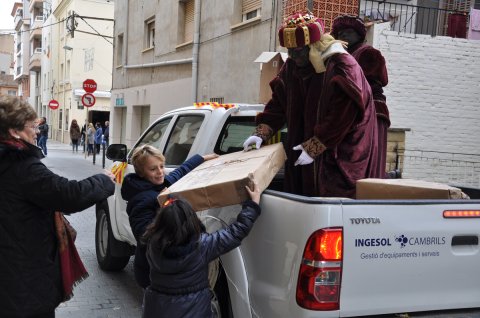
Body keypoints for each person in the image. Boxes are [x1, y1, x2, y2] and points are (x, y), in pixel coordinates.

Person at [0, 95, 116, 318]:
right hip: (22, 281)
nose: (36, 131)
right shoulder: (21, 167)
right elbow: (67, 195)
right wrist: (103, 181)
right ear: (14, 132)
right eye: (32, 126)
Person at [243, 12, 379, 198]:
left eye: (297, 51)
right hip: (302, 151)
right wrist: (262, 132)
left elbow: (344, 114)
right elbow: (279, 103)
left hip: (339, 153)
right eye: (289, 50)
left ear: (313, 45)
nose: (292, 56)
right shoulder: (292, 65)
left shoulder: (342, 65)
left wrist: (316, 145)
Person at [141, 182, 261, 318]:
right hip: (193, 310)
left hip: (157, 309)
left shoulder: (153, 244)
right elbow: (235, 232)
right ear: (192, 221)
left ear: (160, 222)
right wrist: (252, 206)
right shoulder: (202, 246)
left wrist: (166, 203)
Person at [120, 144, 219, 289]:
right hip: (154, 272)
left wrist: (202, 158)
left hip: (166, 269)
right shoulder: (141, 200)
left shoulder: (158, 184)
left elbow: (180, 171)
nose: (160, 172)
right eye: (153, 169)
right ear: (141, 173)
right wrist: (166, 206)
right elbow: (144, 236)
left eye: (161, 166)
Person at [332, 15, 390, 178]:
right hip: (353, 110)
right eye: (340, 33)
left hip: (371, 111)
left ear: (359, 34)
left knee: (363, 156)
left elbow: (365, 83)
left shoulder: (367, 53)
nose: (343, 36)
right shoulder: (341, 55)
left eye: (348, 32)